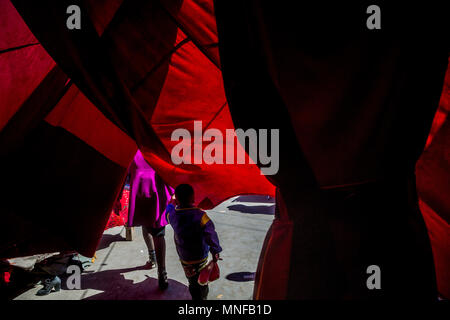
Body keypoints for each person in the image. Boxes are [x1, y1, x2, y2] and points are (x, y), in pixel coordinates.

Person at [165, 184, 222, 300]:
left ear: (177, 199)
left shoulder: (172, 215)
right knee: (202, 280)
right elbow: (211, 234)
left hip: (185, 258)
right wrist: (215, 250)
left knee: (192, 281)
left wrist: (173, 201)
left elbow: (168, 207)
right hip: (201, 257)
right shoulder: (201, 216)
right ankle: (203, 298)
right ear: (193, 198)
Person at [127, 150, 173, 290]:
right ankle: (161, 271)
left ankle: (154, 260)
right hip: (157, 191)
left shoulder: (133, 148)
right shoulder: (155, 145)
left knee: (147, 225)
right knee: (157, 233)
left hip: (141, 190)